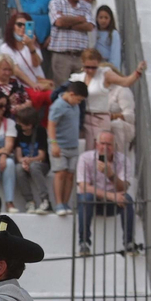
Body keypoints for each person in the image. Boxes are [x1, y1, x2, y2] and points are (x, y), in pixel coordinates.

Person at [45, 0, 95, 86]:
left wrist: (68, 23)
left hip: (80, 55)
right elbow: (59, 22)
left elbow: (89, 26)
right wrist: (78, 19)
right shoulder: (56, 2)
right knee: (61, 89)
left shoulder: (85, 6)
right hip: (62, 55)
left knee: (81, 89)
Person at [47, 79, 86, 215]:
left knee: (70, 174)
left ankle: (65, 203)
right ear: (71, 94)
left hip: (73, 146)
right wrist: (54, 144)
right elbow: (51, 124)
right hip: (60, 145)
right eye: (78, 99)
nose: (79, 103)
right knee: (60, 173)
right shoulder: (58, 106)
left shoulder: (74, 105)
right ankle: (58, 204)